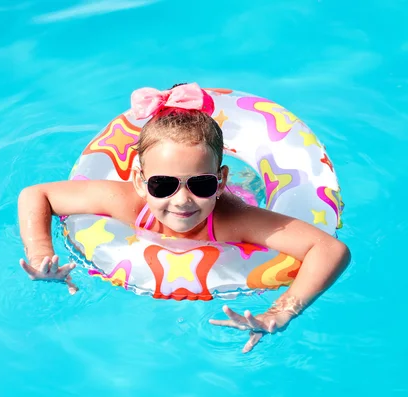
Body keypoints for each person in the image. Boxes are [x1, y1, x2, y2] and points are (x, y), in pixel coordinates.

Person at [17, 82, 351, 353]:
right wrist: (40, 253)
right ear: (139, 180)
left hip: (245, 197)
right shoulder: (127, 201)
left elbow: (330, 250)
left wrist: (281, 311)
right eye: (162, 185)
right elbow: (36, 195)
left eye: (201, 184)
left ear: (220, 181)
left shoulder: (234, 219)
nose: (181, 200)